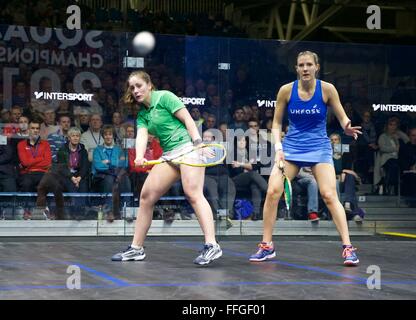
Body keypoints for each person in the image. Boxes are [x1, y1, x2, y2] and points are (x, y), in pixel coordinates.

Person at [249, 51, 362, 266]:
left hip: (319, 146)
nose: (305, 68)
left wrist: (346, 126)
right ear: (296, 68)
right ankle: (266, 246)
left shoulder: (327, 89)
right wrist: (279, 148)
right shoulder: (286, 91)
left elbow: (342, 116)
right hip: (291, 147)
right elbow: (276, 124)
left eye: (309, 64)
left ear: (317, 67)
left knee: (329, 194)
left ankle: (348, 248)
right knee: (273, 191)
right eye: (301, 65)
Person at [111, 70, 222, 265]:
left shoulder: (165, 97)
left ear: (149, 85)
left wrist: (198, 144)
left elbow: (188, 119)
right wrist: (138, 156)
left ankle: (212, 245)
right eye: (132, 87)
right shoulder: (143, 115)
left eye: (139, 86)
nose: (135, 90)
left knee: (193, 193)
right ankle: (136, 249)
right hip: (170, 155)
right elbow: (142, 136)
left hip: (188, 148)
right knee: (146, 197)